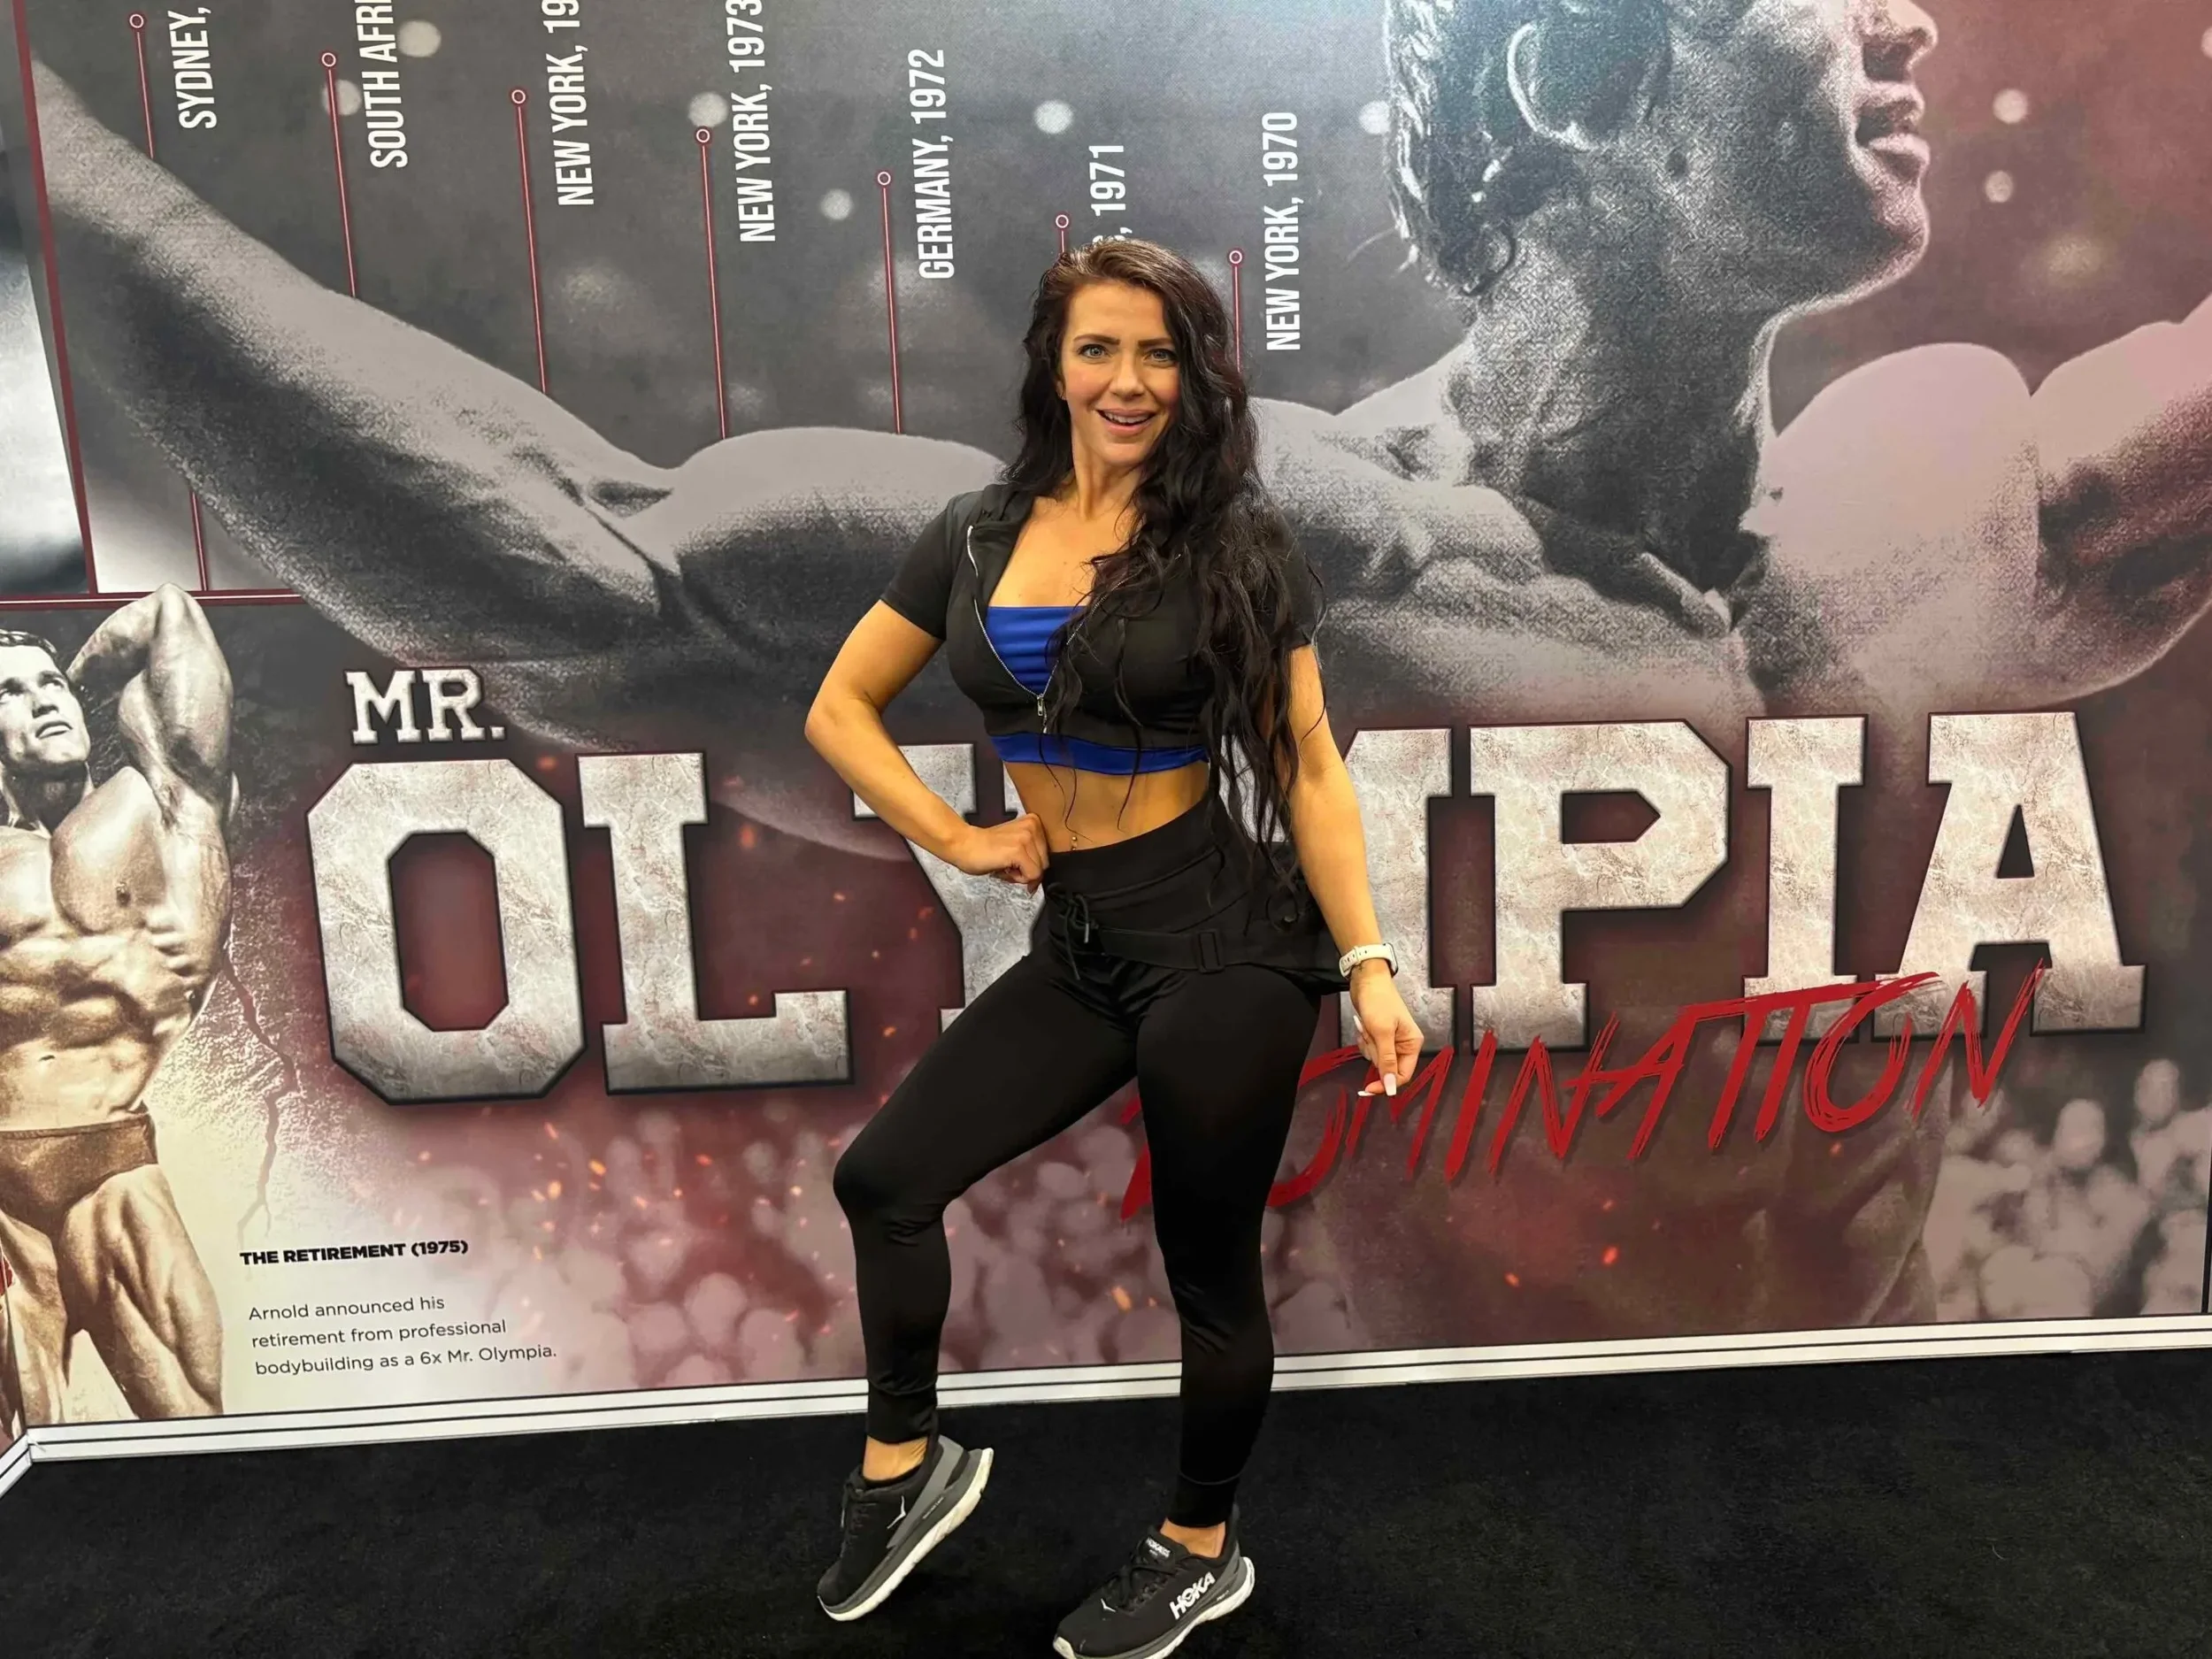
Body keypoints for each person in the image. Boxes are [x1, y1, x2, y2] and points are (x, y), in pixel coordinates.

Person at [18, 0, 2212, 1341]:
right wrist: (45, 172)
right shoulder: (1271, 578)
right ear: (1574, 76)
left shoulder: (1962, 502)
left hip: (1846, 1502)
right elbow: (595, 584)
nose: (1910, 24)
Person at [803, 240, 1424, 1655]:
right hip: (1085, 942)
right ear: (1055, 364)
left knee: (1205, 1263)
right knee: (884, 1178)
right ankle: (903, 1472)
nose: (1128, 380)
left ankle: (1200, 1548)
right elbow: (840, 707)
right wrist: (958, 837)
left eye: (1159, 354)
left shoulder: (1234, 542)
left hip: (1225, 940)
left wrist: (1370, 961)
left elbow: (1309, 765)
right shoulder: (973, 533)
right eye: (1100, 349)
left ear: (1195, 377)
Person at [0, 586, 231, 1420]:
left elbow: (171, 615)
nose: (42, 701)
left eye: (48, 686)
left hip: (111, 1160)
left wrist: (75, 672)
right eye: (8, 692)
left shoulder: (165, 805)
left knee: (188, 1414)